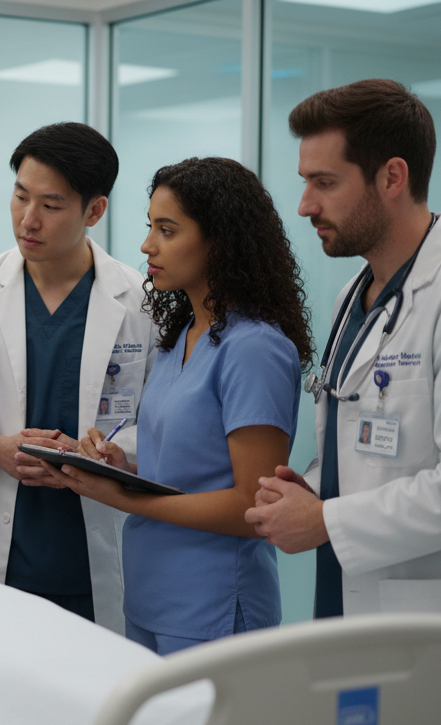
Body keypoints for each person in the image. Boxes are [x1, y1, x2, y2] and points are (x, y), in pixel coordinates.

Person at [243, 78, 441, 725]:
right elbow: (370, 443)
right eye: (305, 182)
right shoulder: (357, 295)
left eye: (324, 183)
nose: (304, 205)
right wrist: (311, 489)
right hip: (356, 610)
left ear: (392, 177)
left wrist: (328, 521)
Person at [39, 157, 312, 654]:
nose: (148, 245)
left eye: (167, 230)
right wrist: (121, 465)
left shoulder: (254, 348)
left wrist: (120, 497)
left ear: (220, 241)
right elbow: (186, 465)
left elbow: (253, 503)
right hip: (149, 596)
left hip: (213, 604)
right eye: (151, 227)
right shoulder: (181, 337)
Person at [0, 123, 156, 627]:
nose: (28, 220)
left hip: (94, 550)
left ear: (94, 211)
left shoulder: (140, 303)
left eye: (51, 205)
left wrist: (108, 453)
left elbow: (162, 421)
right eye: (20, 197)